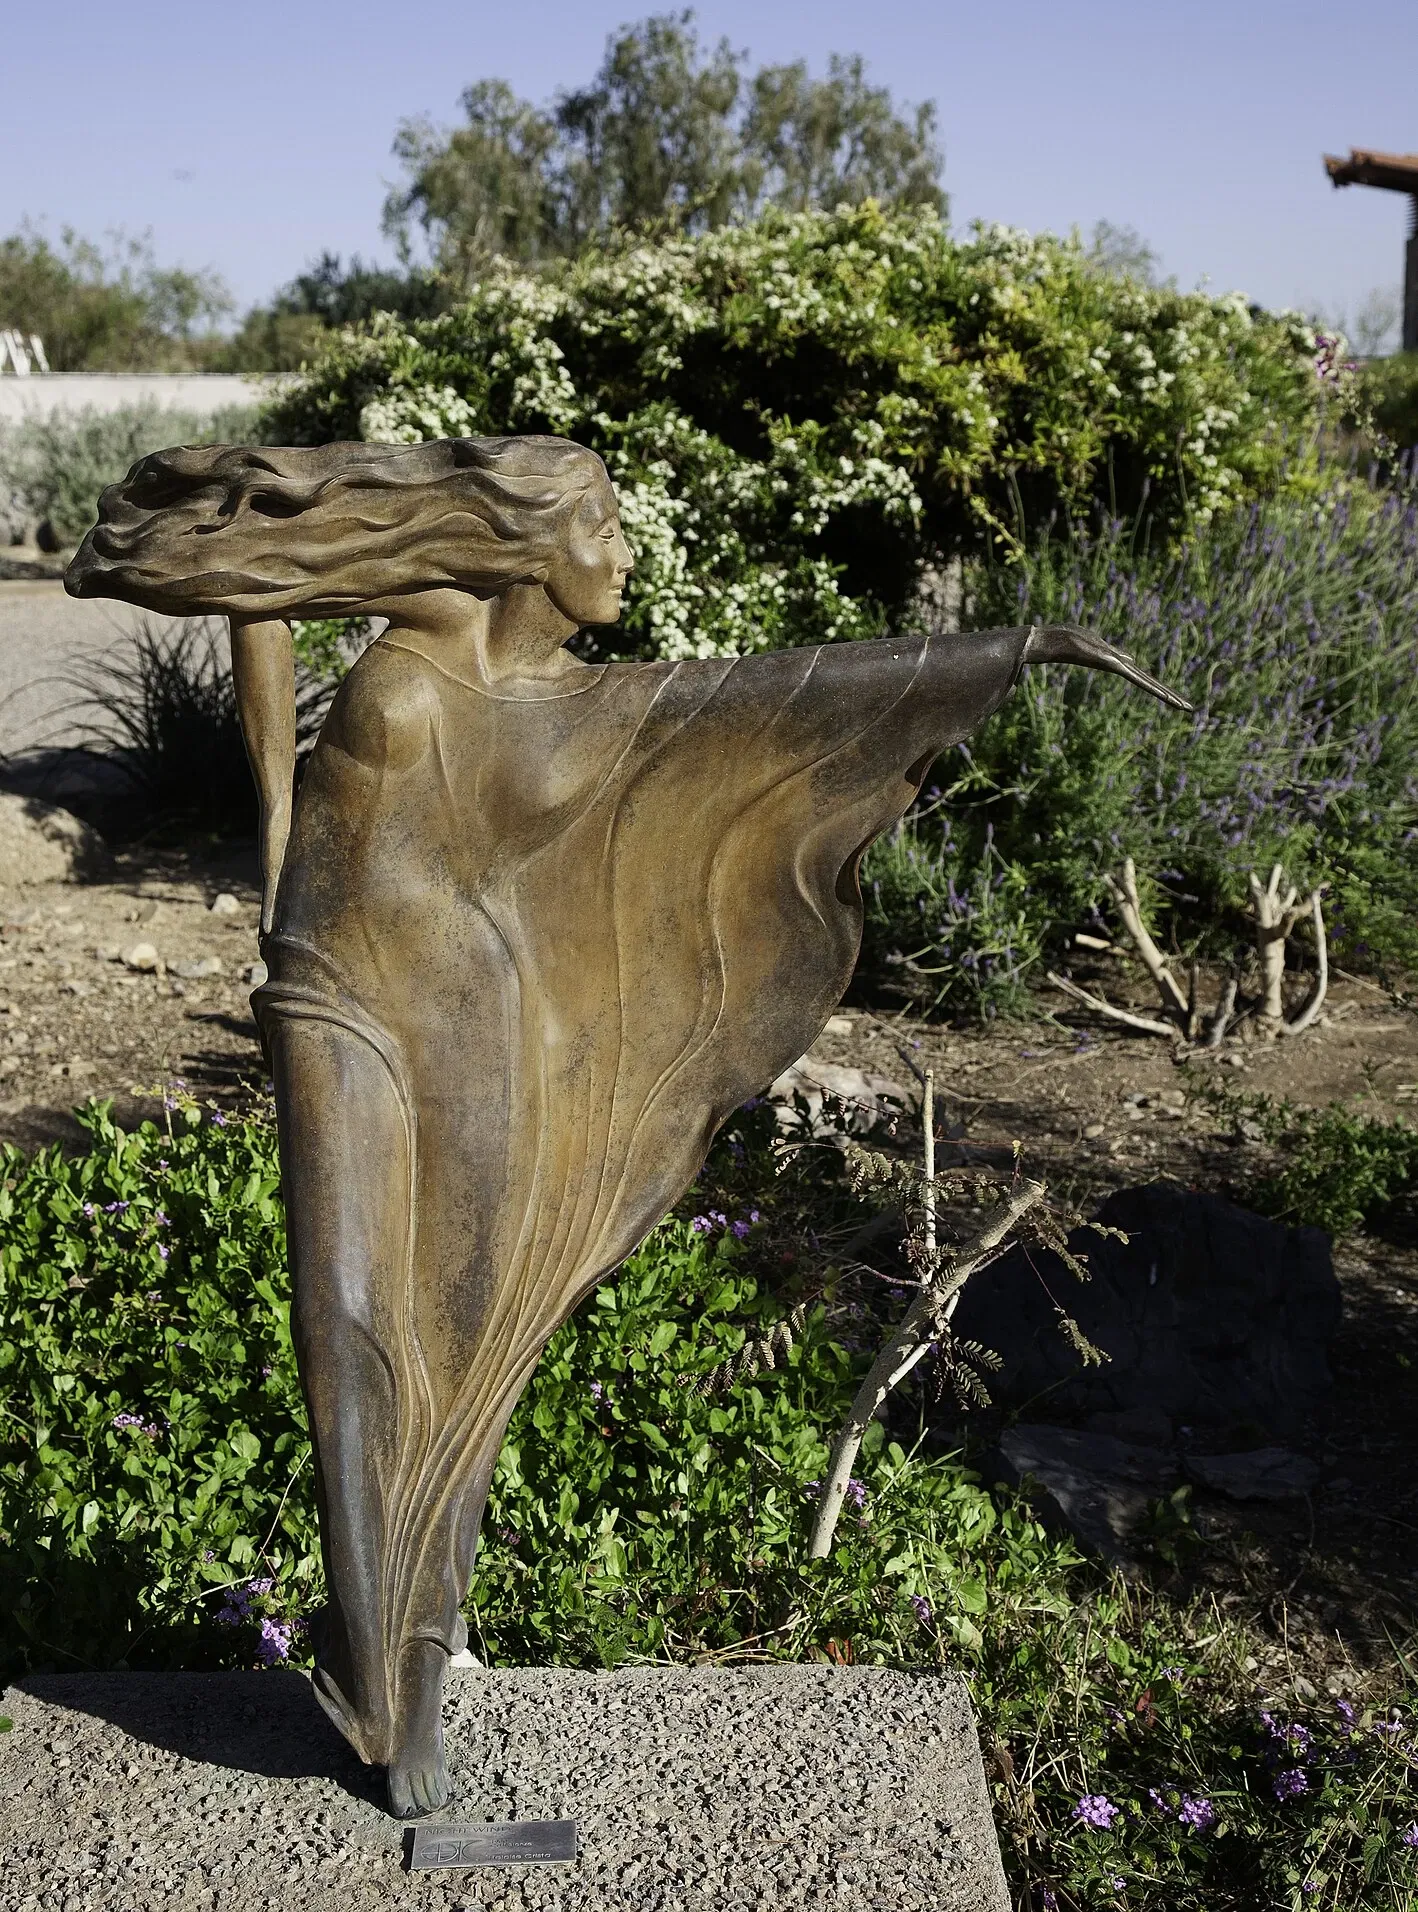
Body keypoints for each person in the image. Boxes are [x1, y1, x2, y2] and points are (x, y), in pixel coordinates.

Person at [68, 432, 1187, 1815]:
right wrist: (279, 827)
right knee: (351, 1316)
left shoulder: (594, 696)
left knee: (471, 1319)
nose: (623, 553)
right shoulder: (430, 621)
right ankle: (374, 1686)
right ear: (534, 541)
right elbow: (256, 592)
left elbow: (788, 690)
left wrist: (1010, 650)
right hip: (341, 995)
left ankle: (422, 1653)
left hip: (479, 1012)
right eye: (603, 527)